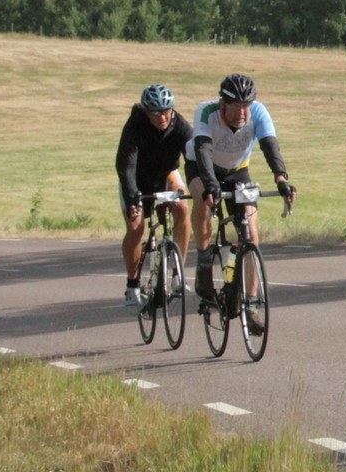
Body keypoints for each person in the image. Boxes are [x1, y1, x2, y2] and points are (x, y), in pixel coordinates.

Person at [187, 73, 296, 303]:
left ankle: (252, 300)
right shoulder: (206, 111)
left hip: (237, 170)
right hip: (202, 167)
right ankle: (204, 258)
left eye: (246, 106)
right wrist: (211, 185)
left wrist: (281, 179)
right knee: (203, 198)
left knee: (250, 234)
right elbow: (203, 149)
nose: (242, 113)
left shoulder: (259, 111)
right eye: (236, 106)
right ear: (223, 104)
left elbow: (270, 146)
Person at [116, 84, 192, 311]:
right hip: (137, 180)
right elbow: (126, 164)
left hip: (166, 173)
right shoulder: (135, 125)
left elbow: (195, 158)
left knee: (182, 208)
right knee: (136, 227)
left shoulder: (180, 125)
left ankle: (178, 273)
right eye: (156, 113)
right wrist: (132, 198)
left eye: (166, 111)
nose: (162, 117)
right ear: (146, 112)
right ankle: (132, 286)